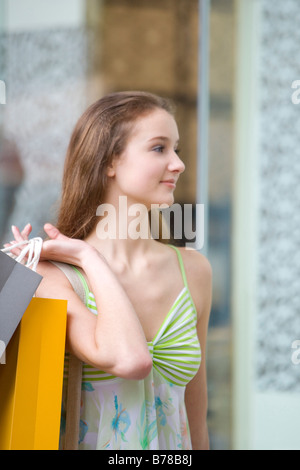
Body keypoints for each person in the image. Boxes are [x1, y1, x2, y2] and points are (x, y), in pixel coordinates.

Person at [10, 91, 212, 450]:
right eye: (159, 148)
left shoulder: (194, 270)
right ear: (110, 162)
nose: (178, 164)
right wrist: (89, 258)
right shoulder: (55, 278)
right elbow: (132, 360)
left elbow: (195, 419)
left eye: (176, 149)